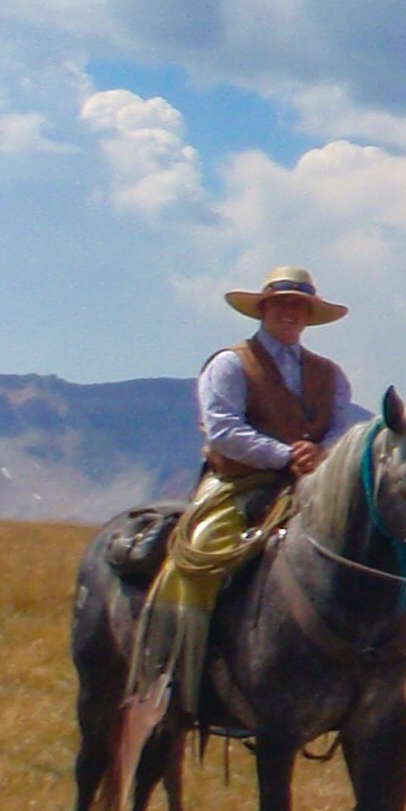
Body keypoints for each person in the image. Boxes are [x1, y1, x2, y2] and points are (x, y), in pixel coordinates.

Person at [145, 267, 371, 725]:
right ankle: (175, 672)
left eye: (299, 306)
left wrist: (321, 453)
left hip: (312, 485)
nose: (290, 312)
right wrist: (285, 455)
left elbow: (341, 429)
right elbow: (223, 430)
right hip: (237, 484)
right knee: (199, 553)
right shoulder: (230, 364)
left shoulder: (330, 374)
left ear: (309, 316)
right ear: (263, 309)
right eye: (281, 304)